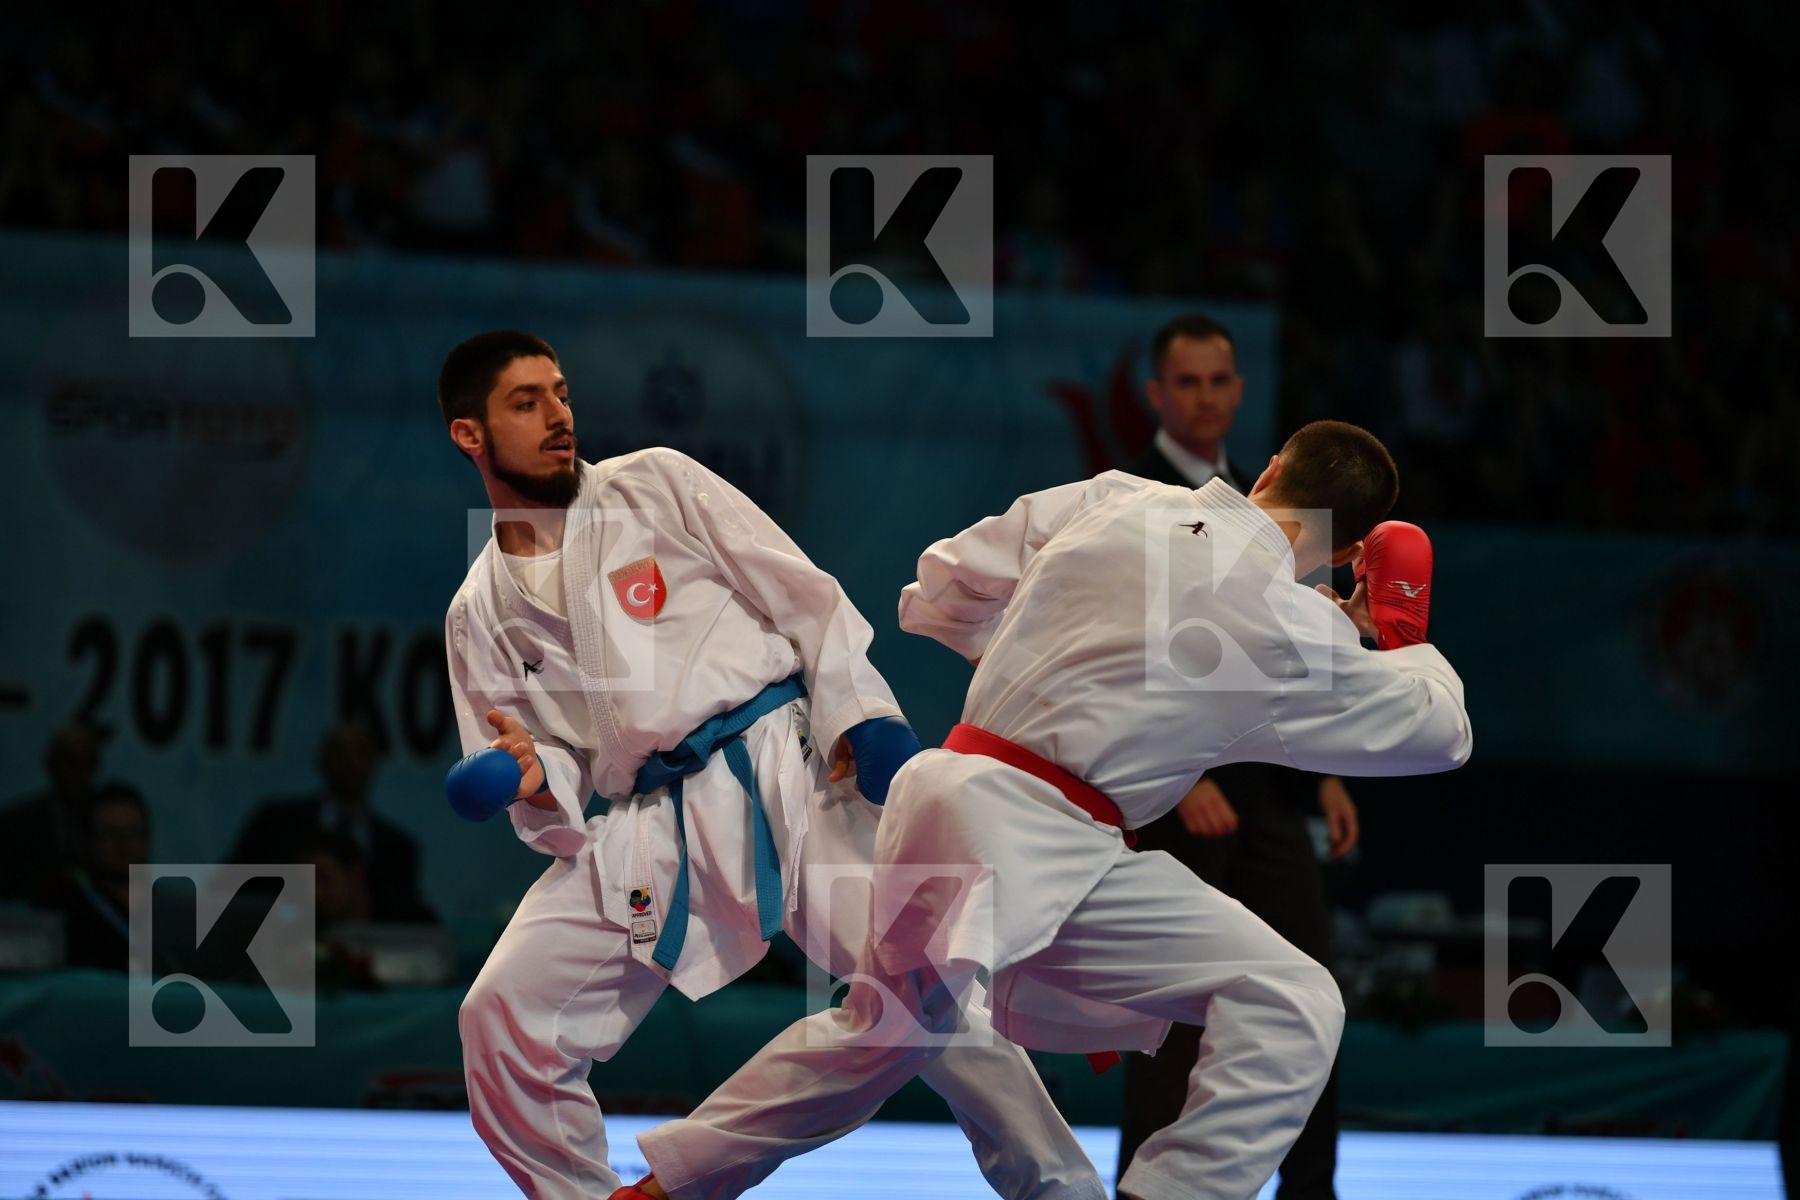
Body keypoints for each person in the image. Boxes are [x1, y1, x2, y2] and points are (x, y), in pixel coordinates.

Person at [627, 420, 1472, 1200]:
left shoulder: (1118, 497)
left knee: (888, 1032)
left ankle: (666, 1189)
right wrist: (1398, 636)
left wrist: (1065, 653)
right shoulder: (1288, 624)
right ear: (1351, 549)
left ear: (1274, 465)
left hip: (980, 801)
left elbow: (940, 582)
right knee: (1284, 997)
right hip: (1034, 834)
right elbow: (1441, 734)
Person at [437, 331, 1101, 1200]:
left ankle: (1065, 1193)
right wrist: (533, 780)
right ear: (470, 436)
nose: (559, 417)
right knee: (499, 1015)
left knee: (925, 993)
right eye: (527, 403)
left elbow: (804, 593)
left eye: (560, 394)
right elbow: (546, 762)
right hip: (649, 824)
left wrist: (863, 717)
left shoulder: (655, 484)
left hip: (786, 771)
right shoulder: (477, 612)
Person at [1120, 313, 1358, 1198]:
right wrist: (1186, 779)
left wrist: (1328, 768)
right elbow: (1123, 648)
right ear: (1156, 394)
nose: (1206, 398)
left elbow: (1295, 648)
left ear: (1241, 390)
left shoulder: (1273, 502)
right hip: (1170, 794)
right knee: (1176, 1016)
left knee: (1311, 996)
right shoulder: (1130, 493)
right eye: (1188, 382)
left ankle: (1310, 1190)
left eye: (1220, 381)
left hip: (1267, 793)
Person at [230, 722, 436, 924]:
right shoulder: (274, 825)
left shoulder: (398, 849)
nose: (349, 762)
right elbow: (231, 892)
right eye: (339, 751)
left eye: (359, 751)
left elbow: (410, 921)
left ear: (374, 762)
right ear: (322, 759)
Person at [0, 720, 104, 907]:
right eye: (70, 761)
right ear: (51, 763)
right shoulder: (16, 825)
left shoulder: (109, 823)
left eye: (87, 763)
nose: (78, 772)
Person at [58, 781, 149, 971]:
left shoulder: (172, 915)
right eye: (110, 834)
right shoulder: (70, 920)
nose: (124, 845)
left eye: (133, 833)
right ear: (89, 841)